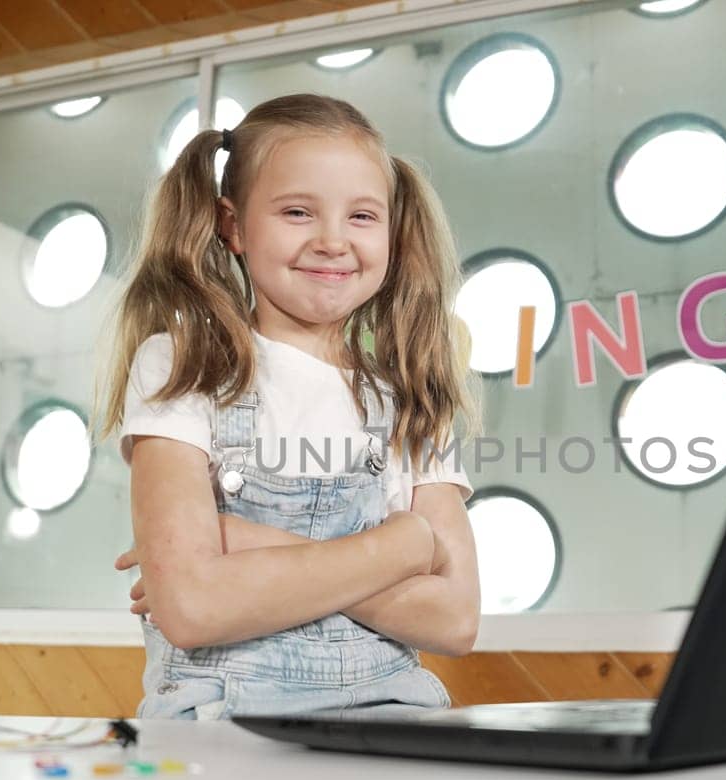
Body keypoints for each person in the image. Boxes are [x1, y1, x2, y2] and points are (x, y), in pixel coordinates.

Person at [95, 94, 480, 720]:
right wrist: (405, 545)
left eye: (362, 216)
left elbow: (455, 620)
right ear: (234, 225)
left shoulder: (412, 401)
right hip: (222, 724)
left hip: (391, 718)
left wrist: (242, 543)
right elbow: (192, 610)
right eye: (298, 211)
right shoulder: (183, 366)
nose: (333, 241)